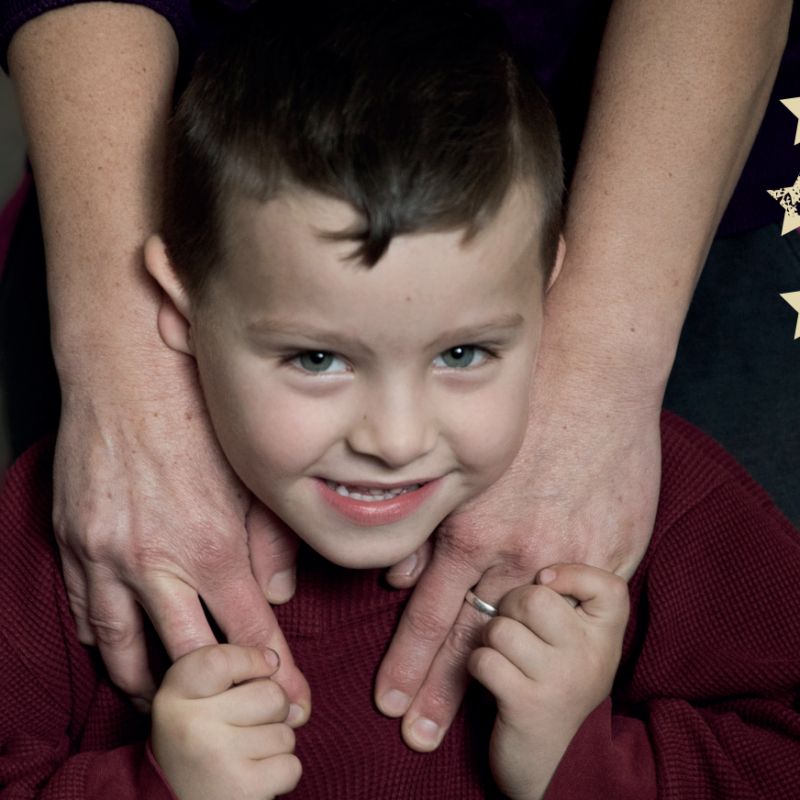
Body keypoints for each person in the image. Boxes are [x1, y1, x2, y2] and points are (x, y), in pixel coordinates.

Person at [2, 4, 800, 799]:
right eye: (317, 357)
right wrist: (151, 789)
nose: (395, 438)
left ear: (548, 295)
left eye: (463, 353)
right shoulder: (75, 533)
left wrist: (593, 764)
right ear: (178, 310)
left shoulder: (670, 508)